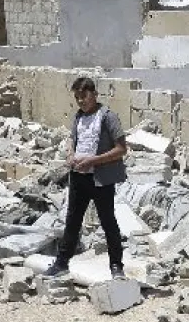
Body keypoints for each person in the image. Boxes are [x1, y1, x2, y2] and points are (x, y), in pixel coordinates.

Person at [46, 77, 128, 279]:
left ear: (94, 94)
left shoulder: (108, 117)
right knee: (72, 220)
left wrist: (94, 161)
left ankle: (116, 267)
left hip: (100, 179)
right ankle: (62, 263)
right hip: (79, 177)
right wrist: (71, 154)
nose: (81, 101)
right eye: (77, 98)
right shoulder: (78, 117)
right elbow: (73, 140)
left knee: (108, 221)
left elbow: (121, 149)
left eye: (84, 96)